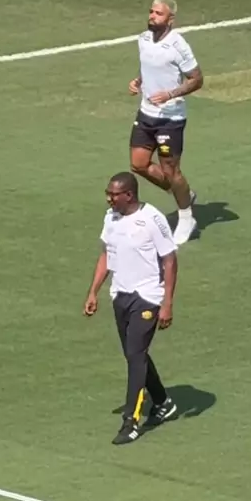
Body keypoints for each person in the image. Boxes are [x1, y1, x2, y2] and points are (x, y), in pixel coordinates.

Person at [83, 171, 178, 445]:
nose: (109, 199)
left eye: (113, 195)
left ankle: (131, 421)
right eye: (108, 194)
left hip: (147, 296)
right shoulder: (110, 218)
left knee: (135, 354)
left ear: (129, 195)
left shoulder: (152, 219)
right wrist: (93, 291)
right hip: (120, 294)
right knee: (133, 353)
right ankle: (162, 401)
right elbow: (106, 255)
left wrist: (167, 303)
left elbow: (170, 260)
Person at [129, 0, 203, 246]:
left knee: (171, 171)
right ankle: (184, 194)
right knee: (138, 164)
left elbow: (197, 79)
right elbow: (148, 66)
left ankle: (186, 217)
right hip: (146, 113)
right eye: (151, 11)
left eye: (158, 13)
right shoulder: (143, 39)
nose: (152, 16)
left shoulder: (178, 46)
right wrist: (138, 81)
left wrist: (170, 94)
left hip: (169, 119)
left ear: (170, 19)